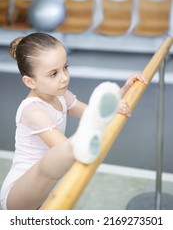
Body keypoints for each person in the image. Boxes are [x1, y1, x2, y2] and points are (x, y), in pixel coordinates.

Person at [0, 32, 147, 210]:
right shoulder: (32, 110)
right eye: (53, 73)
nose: (64, 77)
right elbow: (61, 147)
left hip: (47, 188)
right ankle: (79, 139)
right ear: (30, 82)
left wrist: (124, 90)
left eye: (65, 67)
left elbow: (94, 113)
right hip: (20, 191)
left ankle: (80, 139)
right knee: (45, 166)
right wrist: (84, 139)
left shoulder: (62, 96)